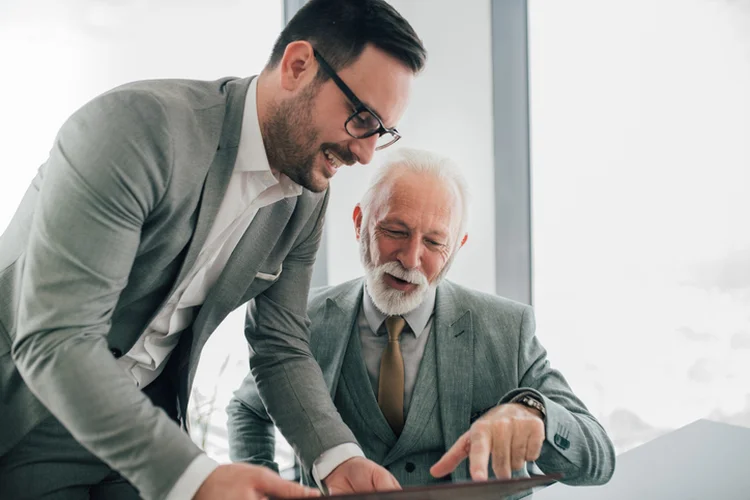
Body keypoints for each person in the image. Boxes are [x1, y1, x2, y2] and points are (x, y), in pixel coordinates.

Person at [0, 1, 426, 499]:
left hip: (144, 428)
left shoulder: (307, 196)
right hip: (25, 411)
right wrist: (195, 477)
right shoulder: (136, 128)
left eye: (382, 132)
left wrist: (339, 458)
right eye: (361, 118)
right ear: (297, 66)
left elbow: (280, 346)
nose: (365, 152)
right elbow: (58, 337)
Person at [226, 148, 616, 492]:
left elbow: (599, 459)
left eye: (434, 242)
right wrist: (268, 488)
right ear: (359, 221)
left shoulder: (508, 330)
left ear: (457, 247)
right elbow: (248, 408)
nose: (411, 259)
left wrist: (535, 411)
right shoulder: (302, 321)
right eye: (395, 231)